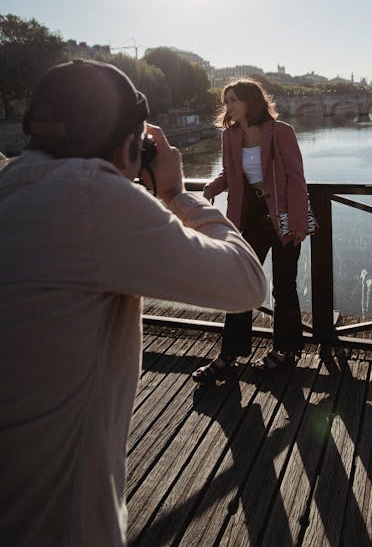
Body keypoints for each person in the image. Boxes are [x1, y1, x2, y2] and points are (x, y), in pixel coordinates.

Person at [0, 59, 266, 547]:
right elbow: (247, 283)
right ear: (129, 145)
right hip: (57, 523)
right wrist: (174, 194)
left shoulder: (11, 186)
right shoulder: (91, 198)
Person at [192, 78, 310, 383]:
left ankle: (285, 351)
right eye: (226, 100)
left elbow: (296, 178)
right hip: (248, 216)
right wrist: (214, 185)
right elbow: (231, 172)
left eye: (234, 100)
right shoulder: (230, 136)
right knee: (239, 282)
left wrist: (298, 223)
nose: (228, 106)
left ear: (251, 101)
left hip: (281, 215)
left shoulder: (281, 131)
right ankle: (228, 355)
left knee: (284, 286)